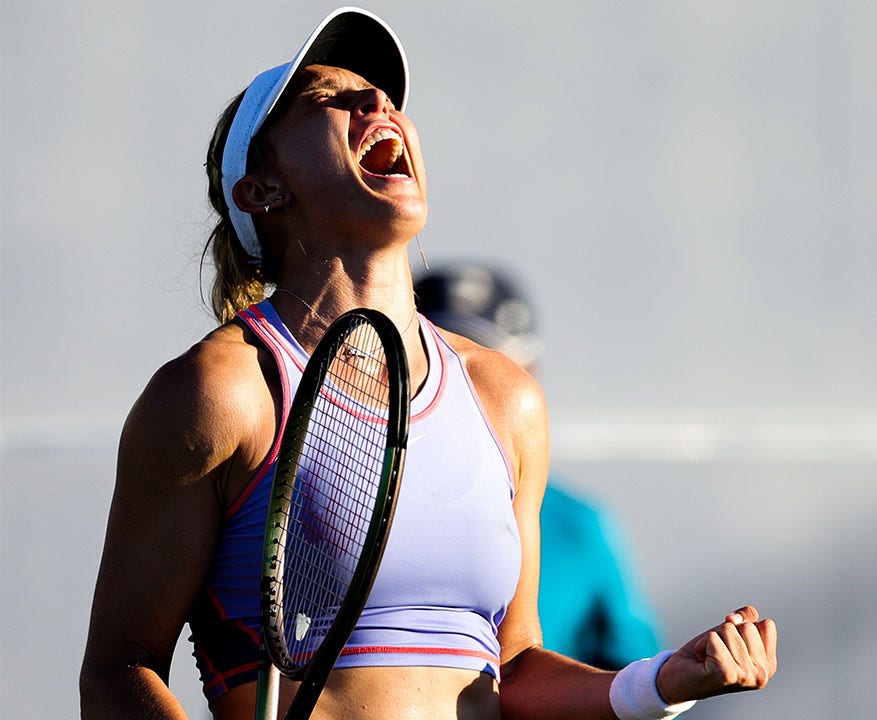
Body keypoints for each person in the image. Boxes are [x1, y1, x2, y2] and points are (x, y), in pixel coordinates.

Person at [79, 7, 777, 720]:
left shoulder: (506, 397)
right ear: (262, 190)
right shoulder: (221, 391)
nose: (376, 101)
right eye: (326, 97)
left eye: (383, 97)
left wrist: (658, 683)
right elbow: (116, 672)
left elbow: (513, 669)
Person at [414, 261, 664, 670]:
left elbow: (632, 671)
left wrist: (661, 684)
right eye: (436, 362)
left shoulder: (575, 525)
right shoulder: (339, 501)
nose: (454, 384)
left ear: (529, 377)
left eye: (482, 364)